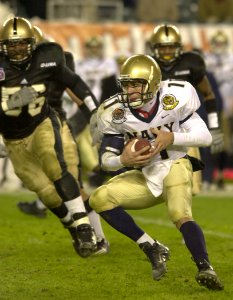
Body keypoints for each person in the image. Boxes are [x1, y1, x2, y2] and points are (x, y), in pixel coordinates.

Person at [89, 54, 223, 290]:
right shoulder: (116, 112)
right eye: (126, 84)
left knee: (179, 213)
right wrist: (122, 159)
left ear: (152, 83)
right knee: (99, 198)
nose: (130, 91)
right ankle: (151, 246)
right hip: (145, 174)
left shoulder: (176, 96)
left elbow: (205, 137)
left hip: (175, 164)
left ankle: (205, 267)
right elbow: (105, 160)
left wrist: (173, 137)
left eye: (136, 84)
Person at [0, 16, 99, 258]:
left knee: (56, 165)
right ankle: (73, 226)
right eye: (11, 45)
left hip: (41, 123)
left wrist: (95, 112)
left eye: (22, 43)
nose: (17, 49)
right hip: (13, 138)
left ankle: (85, 227)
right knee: (43, 190)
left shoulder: (48, 58)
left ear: (32, 43)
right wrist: (16, 100)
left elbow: (75, 83)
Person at [148, 24, 224, 193]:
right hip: (156, 124)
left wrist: (214, 126)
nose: (167, 51)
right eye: (163, 47)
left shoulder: (191, 63)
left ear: (179, 47)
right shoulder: (149, 66)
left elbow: (209, 94)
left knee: (193, 187)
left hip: (184, 123)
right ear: (154, 48)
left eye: (171, 47)